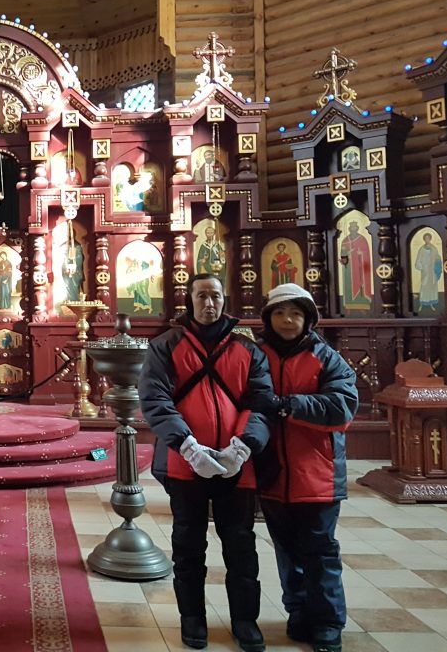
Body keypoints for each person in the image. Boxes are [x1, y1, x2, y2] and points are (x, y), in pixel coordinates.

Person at [138, 273, 277, 652]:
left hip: (238, 465)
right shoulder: (166, 346)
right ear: (190, 300)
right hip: (186, 464)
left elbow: (261, 403)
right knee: (187, 544)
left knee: (241, 545)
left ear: (224, 299)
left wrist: (243, 447)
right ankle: (192, 618)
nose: (209, 303)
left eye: (215, 295)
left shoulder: (248, 350)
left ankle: (245, 620)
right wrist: (188, 447)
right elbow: (155, 400)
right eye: (201, 296)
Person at [257, 284, 358, 652]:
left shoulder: (326, 357)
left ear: (308, 319)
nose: (288, 320)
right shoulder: (257, 355)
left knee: (319, 551)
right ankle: (298, 611)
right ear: (268, 317)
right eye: (281, 313)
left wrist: (289, 405)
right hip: (273, 473)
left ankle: (328, 624)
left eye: (296, 314)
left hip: (317, 475)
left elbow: (342, 407)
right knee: (286, 550)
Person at [339, 221, 372, 306]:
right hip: (348, 268)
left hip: (360, 266)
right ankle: (349, 303)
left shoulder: (362, 239)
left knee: (361, 282)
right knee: (349, 285)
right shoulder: (345, 240)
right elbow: (343, 254)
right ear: (349, 229)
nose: (353, 229)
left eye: (355, 227)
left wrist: (360, 254)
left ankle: (363, 301)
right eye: (351, 228)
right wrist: (346, 254)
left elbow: (366, 252)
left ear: (357, 228)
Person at [413, 232, 443, 312]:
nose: (427, 240)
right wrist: (422, 267)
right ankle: (422, 304)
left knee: (432, 286)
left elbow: (438, 258)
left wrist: (437, 262)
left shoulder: (434, 248)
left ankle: (431, 304)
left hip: (432, 271)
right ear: (424, 239)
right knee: (424, 286)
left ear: (430, 239)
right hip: (425, 271)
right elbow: (418, 261)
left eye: (428, 238)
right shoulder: (421, 249)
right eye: (426, 238)